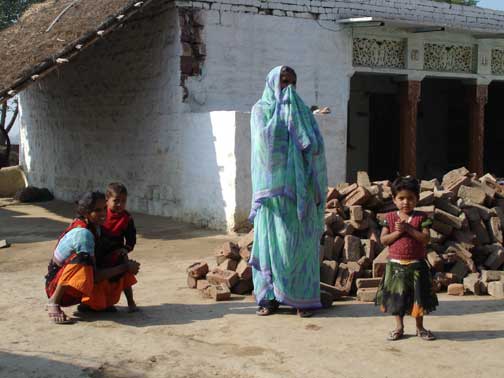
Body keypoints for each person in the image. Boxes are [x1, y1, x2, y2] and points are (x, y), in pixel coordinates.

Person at [249, 66, 328, 318]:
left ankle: (302, 300)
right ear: (272, 82)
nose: (288, 87)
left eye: (293, 82)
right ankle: (269, 298)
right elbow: (265, 147)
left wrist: (301, 119)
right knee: (272, 247)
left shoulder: (302, 111)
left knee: (299, 247)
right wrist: (285, 118)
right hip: (273, 196)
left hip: (300, 193)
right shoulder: (260, 110)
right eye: (283, 81)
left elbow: (314, 146)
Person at [45, 191, 140, 324]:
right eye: (97, 210)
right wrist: (125, 267)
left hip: (78, 279)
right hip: (58, 286)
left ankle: (92, 305)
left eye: (104, 209)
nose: (103, 213)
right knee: (83, 260)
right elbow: (94, 275)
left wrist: (122, 259)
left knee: (118, 254)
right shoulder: (83, 234)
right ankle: (53, 302)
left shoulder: (96, 227)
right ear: (86, 212)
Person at [376, 176, 438, 341]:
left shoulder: (421, 218)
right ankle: (399, 327)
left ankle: (420, 327)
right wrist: (399, 232)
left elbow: (425, 239)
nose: (406, 202)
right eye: (401, 198)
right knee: (398, 299)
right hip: (396, 266)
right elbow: (383, 240)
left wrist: (408, 228)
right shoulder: (389, 218)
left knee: (419, 298)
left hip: (416, 265)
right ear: (394, 199)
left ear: (417, 199)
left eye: (410, 198)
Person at [98, 182, 138, 312]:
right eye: (116, 201)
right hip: (99, 252)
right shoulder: (100, 214)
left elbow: (131, 239)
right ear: (107, 200)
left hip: (117, 252)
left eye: (123, 201)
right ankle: (100, 303)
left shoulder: (127, 218)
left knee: (126, 273)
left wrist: (125, 249)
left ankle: (131, 302)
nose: (120, 205)